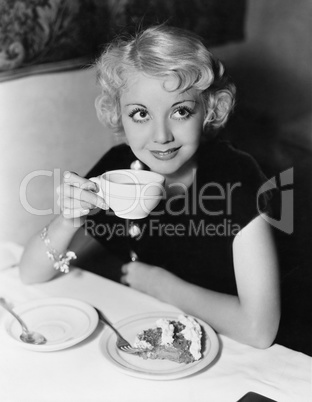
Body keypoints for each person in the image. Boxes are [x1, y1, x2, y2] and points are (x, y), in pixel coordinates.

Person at [19, 25, 280, 349]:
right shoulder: (120, 169)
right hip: (152, 341)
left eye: (180, 111)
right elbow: (30, 274)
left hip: (233, 351)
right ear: (119, 115)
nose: (161, 135)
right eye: (141, 113)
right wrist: (67, 220)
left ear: (208, 111)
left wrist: (162, 285)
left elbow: (260, 330)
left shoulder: (239, 178)